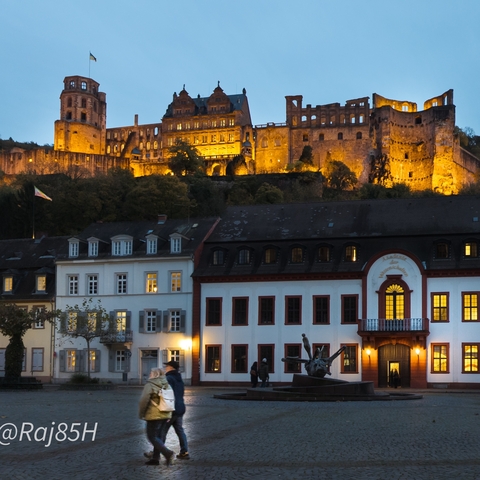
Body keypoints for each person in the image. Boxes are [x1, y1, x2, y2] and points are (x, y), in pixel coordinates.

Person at [138, 368, 176, 466]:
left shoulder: (150, 384)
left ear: (154, 374)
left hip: (154, 415)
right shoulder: (166, 384)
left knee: (152, 436)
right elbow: (171, 400)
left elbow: (143, 400)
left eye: (151, 373)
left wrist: (141, 413)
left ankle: (168, 453)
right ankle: (155, 458)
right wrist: (169, 414)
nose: (149, 374)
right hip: (165, 414)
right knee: (159, 436)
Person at [160, 360, 190, 460]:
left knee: (162, 431)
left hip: (171, 409)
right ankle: (184, 451)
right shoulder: (179, 378)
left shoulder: (168, 378)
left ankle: (157, 452)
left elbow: (167, 395)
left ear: (171, 367)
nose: (165, 368)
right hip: (180, 408)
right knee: (180, 430)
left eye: (167, 366)